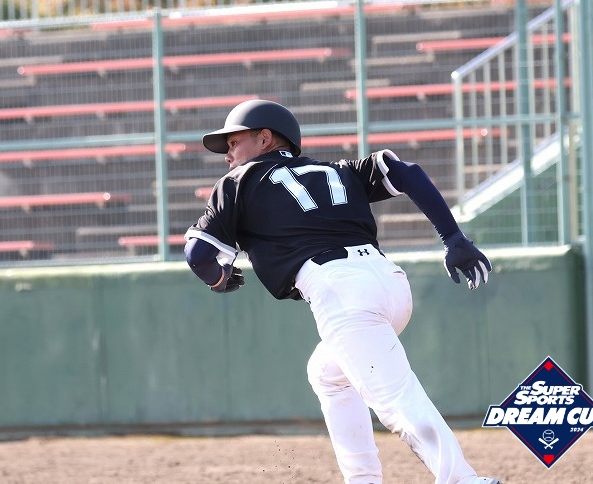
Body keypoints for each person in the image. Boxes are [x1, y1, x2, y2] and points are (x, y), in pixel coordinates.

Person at [183, 99, 499, 484]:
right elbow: (406, 172)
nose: (228, 154)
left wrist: (218, 279)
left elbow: (197, 255)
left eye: (234, 142)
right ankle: (362, 478)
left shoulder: (239, 182)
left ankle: (463, 479)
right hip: (388, 283)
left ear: (264, 138)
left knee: (395, 400)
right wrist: (452, 238)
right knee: (326, 373)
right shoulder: (337, 170)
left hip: (341, 292)